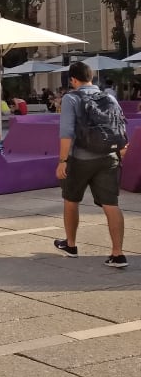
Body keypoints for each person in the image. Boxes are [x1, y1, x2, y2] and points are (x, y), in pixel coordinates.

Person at [54, 62, 128, 268]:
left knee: (71, 200)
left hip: (81, 158)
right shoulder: (109, 97)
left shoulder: (71, 98)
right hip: (109, 156)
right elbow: (121, 126)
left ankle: (71, 245)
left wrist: (62, 161)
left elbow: (66, 133)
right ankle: (118, 254)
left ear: (73, 79)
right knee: (111, 204)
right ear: (92, 78)